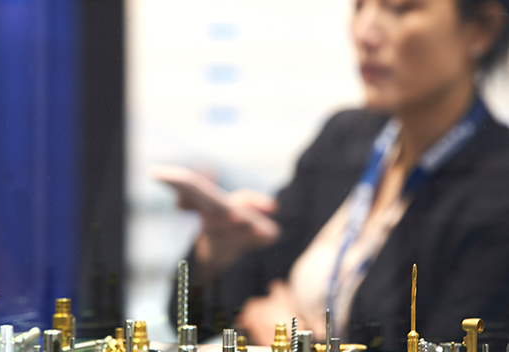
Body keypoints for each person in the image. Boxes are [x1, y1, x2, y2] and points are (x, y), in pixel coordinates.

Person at [164, 0, 509, 350]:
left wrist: (297, 341)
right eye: (359, 5)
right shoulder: (345, 139)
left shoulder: (498, 188)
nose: (365, 32)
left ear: (481, 27)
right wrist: (215, 251)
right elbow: (198, 319)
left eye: (399, 8)